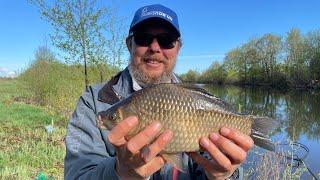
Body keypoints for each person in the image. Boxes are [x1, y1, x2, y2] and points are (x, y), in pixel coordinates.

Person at [64, 4, 254, 180]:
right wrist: (120, 173)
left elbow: (209, 171)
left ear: (178, 48)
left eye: (166, 41)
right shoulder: (93, 101)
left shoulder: (194, 100)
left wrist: (225, 175)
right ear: (129, 44)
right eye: (144, 38)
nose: (155, 48)